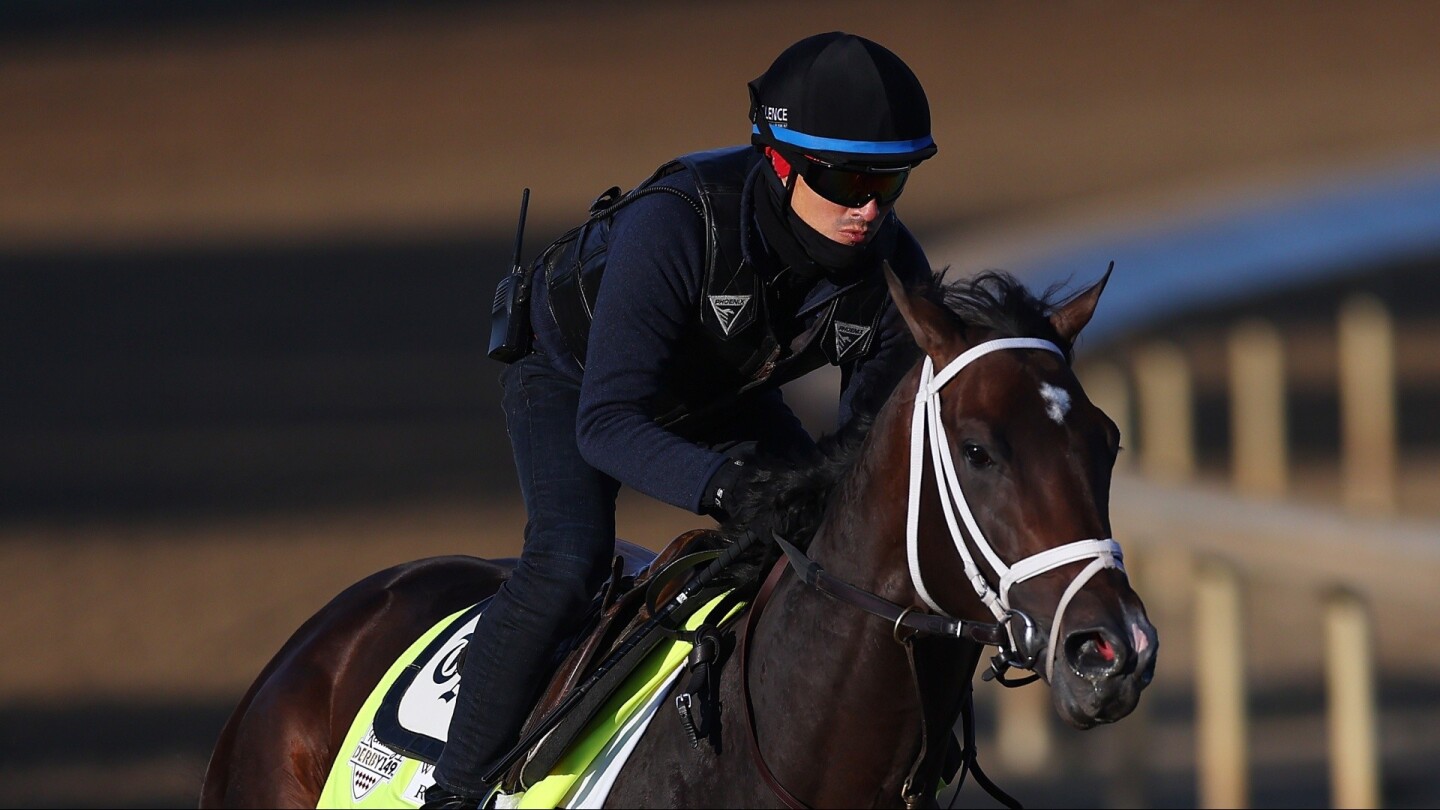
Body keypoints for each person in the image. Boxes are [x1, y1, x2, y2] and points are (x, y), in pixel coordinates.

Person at [423, 31, 939, 808]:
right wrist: (727, 488)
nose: (869, 209)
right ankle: (454, 793)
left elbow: (858, 462)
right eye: (847, 179)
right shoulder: (676, 224)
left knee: (823, 543)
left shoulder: (894, 268)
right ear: (778, 160)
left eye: (892, 183)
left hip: (720, 389)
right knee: (569, 561)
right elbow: (606, 424)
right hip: (572, 380)